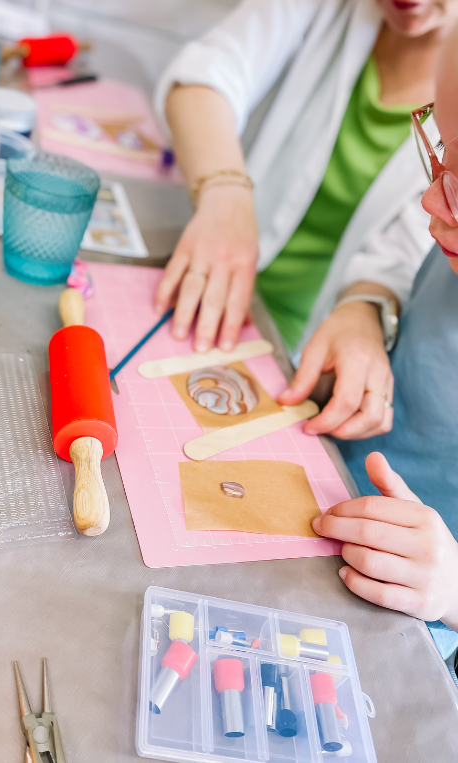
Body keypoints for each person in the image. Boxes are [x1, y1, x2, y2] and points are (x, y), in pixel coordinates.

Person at [155, 0, 457, 442]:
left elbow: (398, 258)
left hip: (309, 355)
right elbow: (206, 75)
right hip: (221, 288)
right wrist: (225, 193)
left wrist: (366, 308)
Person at [313, 27, 458, 656]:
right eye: (441, 152)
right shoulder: (442, 227)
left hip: (405, 631)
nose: (431, 196)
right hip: (326, 517)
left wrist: (452, 590)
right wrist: (363, 309)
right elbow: (394, 254)